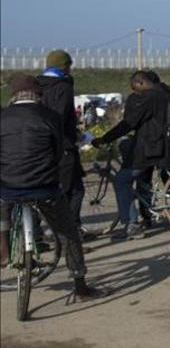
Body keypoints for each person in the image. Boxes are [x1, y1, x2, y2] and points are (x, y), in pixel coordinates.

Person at [0, 75, 106, 299]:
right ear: (38, 96)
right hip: (43, 186)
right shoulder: (50, 116)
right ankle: (80, 285)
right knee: (68, 232)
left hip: (8, 185)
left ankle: (3, 242)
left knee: (3, 205)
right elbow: (58, 151)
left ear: (14, 96)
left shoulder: (3, 117)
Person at [92, 71, 170, 240]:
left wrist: (105, 138)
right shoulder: (165, 92)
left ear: (140, 82)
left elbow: (130, 122)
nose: (136, 92)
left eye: (135, 88)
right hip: (163, 145)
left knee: (122, 180)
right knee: (142, 179)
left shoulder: (150, 97)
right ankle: (146, 215)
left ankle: (132, 225)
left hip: (150, 148)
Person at [36, 49, 86, 240]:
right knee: (74, 191)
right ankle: (68, 232)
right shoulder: (63, 86)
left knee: (49, 188)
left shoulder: (38, 85)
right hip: (63, 145)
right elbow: (61, 115)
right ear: (64, 67)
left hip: (41, 145)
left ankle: (44, 230)